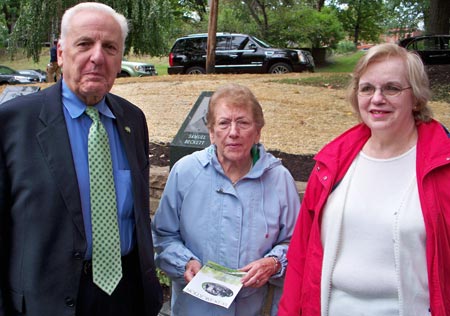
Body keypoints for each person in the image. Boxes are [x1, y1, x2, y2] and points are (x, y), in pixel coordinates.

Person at [0, 2, 162, 316]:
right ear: (61, 53)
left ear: (119, 60)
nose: (97, 57)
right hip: (44, 303)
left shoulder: (132, 120)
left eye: (110, 47)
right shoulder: (12, 123)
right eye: (85, 44)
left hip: (125, 297)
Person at [278, 43, 450, 315]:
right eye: (367, 88)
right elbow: (300, 255)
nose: (377, 98)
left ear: (416, 97)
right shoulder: (331, 164)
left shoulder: (443, 167)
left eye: (392, 88)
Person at [152, 83, 300, 316]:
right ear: (211, 132)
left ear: (258, 131)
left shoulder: (279, 180)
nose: (233, 132)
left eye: (243, 122)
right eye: (223, 123)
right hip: (193, 308)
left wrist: (273, 263)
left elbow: (296, 243)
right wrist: (184, 262)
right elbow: (163, 235)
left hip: (252, 309)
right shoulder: (186, 172)